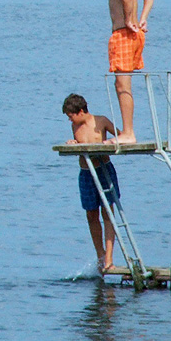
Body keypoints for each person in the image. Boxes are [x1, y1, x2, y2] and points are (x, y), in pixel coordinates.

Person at [87, 0, 155, 143]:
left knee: (122, 86)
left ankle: (128, 134)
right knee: (123, 85)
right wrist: (142, 19)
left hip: (123, 36)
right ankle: (128, 132)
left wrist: (127, 20)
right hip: (135, 36)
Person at [62, 93, 120, 272]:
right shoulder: (75, 126)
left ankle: (109, 258)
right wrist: (73, 142)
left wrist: (109, 142)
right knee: (91, 215)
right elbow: (80, 143)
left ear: (80, 111)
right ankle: (100, 256)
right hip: (86, 173)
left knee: (107, 213)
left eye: (71, 116)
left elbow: (121, 135)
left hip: (103, 170)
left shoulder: (101, 121)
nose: (70, 120)